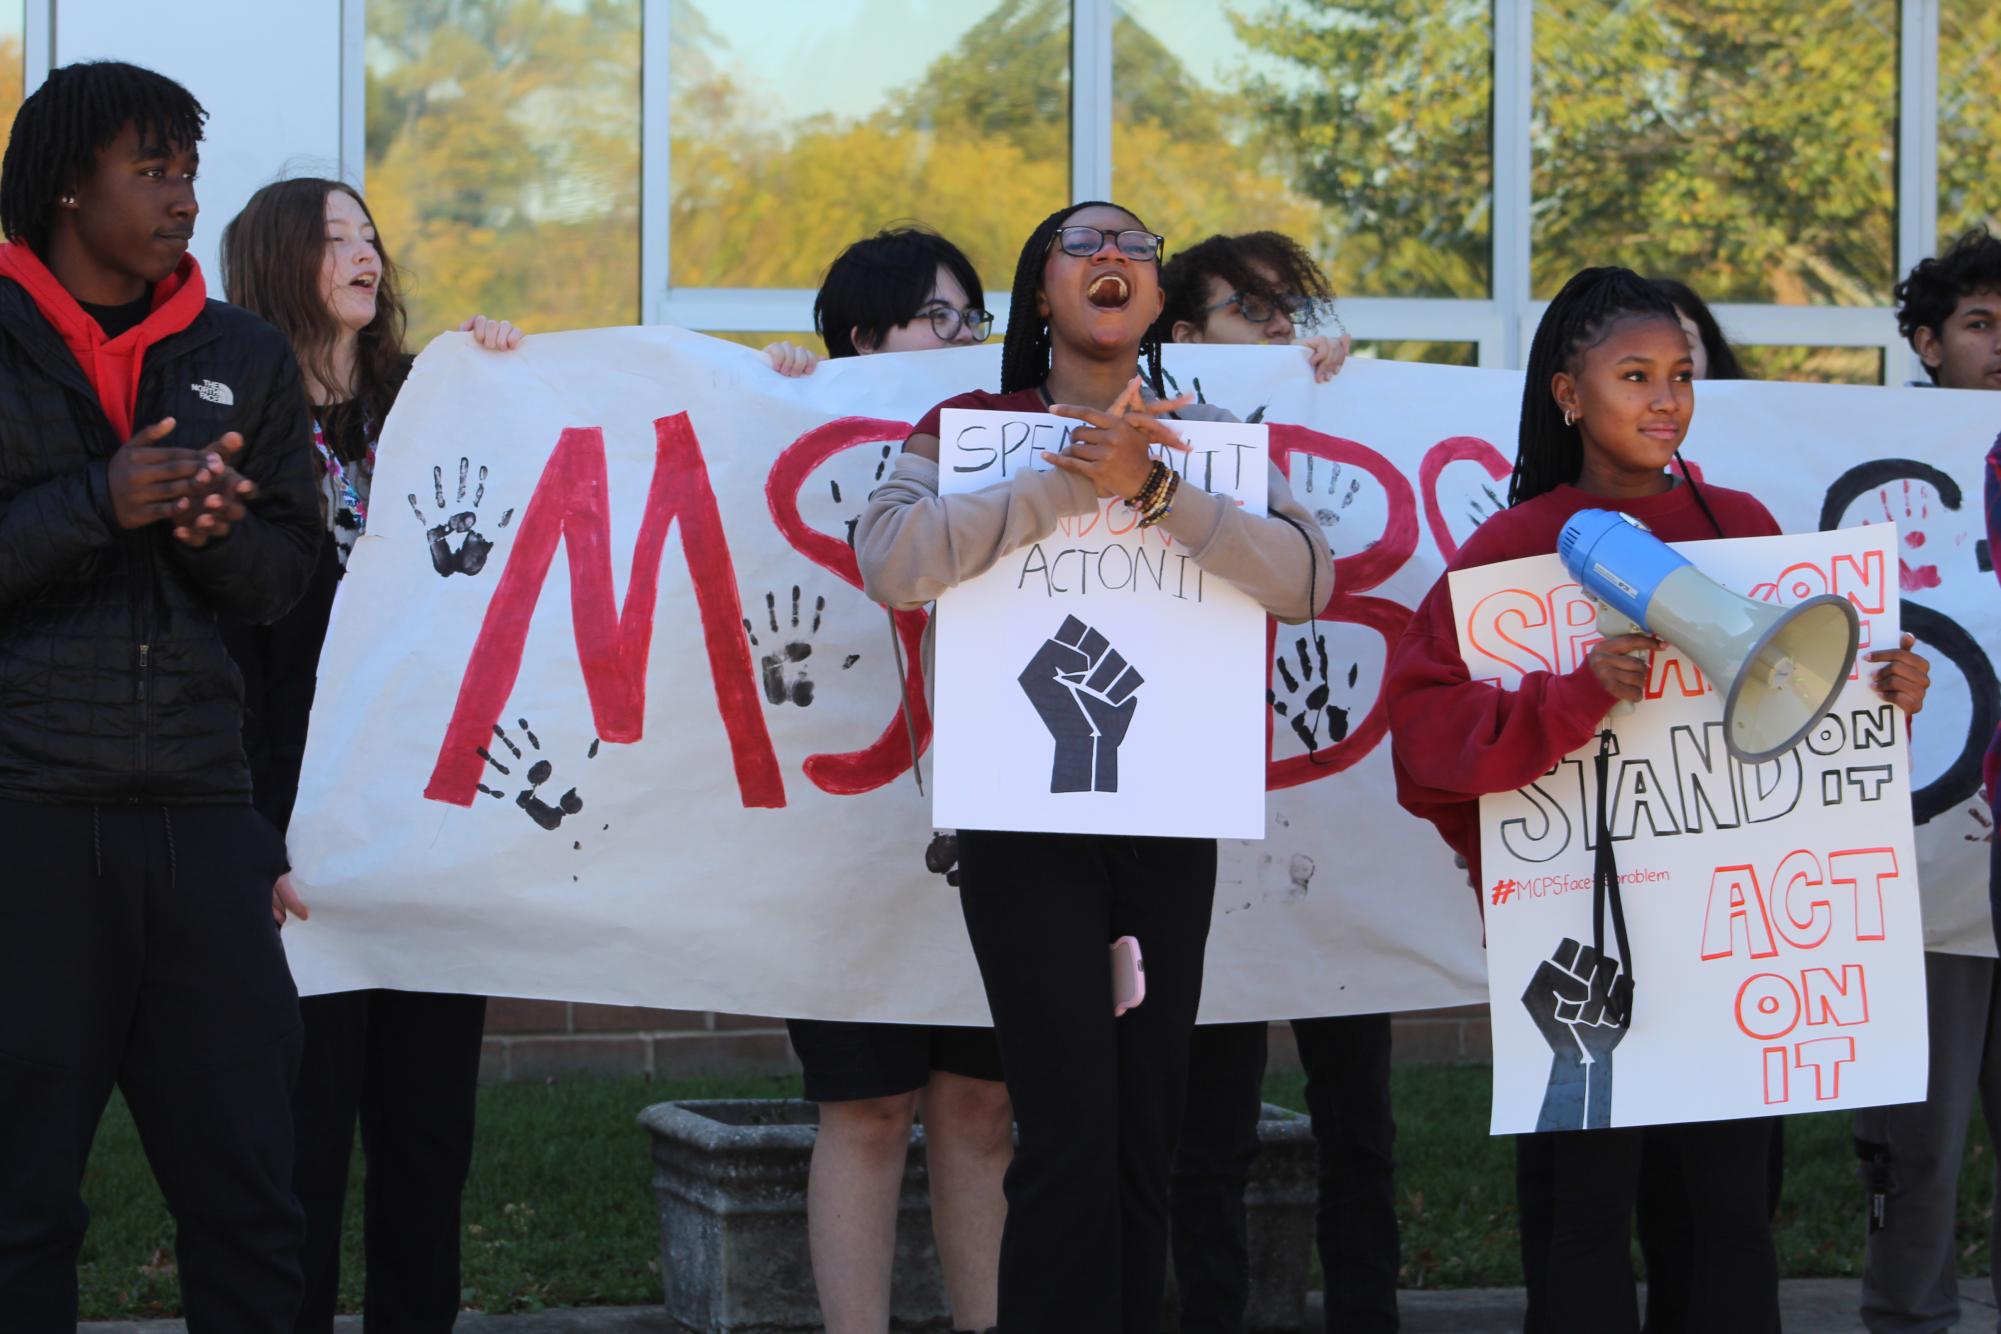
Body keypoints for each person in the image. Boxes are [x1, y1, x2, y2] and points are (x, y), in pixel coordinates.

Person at [1383, 266, 1930, 1334]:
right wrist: (1575, 697)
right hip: (1580, 946)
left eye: (1681, 374)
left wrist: (1882, 698)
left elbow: (1805, 743)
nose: (1666, 398)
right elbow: (1427, 746)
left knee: (1730, 1206)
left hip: (1733, 939)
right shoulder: (1511, 554)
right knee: (1585, 1206)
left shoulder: (1747, 526)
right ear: (1569, 394)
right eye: (1635, 374)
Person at [856, 199, 1333, 1332]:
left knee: (1144, 1130)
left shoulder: (1207, 434)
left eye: (1136, 247)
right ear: (1041, 294)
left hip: (1171, 820)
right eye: (1084, 244)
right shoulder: (967, 422)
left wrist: (1158, 486)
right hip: (1021, 827)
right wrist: (1077, 477)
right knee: (1066, 1128)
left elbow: (1309, 576)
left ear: (1158, 298)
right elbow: (892, 558)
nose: (1112, 258)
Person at [0, 61, 323, 1328]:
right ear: (71, 184)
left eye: (189, 168)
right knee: (22, 1204)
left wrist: (211, 527)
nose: (185, 195)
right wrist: (100, 501)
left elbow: (282, 573)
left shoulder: (240, 350)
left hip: (200, 815)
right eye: (153, 170)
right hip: (26, 815)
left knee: (249, 1192)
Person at [219, 175, 523, 1334]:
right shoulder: (237, 424)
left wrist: (503, 365)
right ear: (277, 258)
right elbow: (229, 650)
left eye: (371, 234)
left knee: (428, 1133)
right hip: (297, 832)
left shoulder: (433, 402)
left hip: (434, 820)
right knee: (300, 1139)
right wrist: (251, 827)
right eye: (332, 235)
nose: (364, 253)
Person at [768, 226, 1015, 1334]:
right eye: (937, 317)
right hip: (840, 831)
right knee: (863, 1105)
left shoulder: (1008, 434)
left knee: (984, 1105)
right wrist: (771, 394)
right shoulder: (794, 413)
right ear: (866, 336)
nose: (962, 339)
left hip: (996, 812)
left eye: (973, 316)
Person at [1153, 230, 1398, 1334]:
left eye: (1285, 311)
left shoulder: (1329, 405)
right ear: (1183, 336)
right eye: (1248, 313)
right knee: (1210, 1128)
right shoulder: (1147, 435)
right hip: (1205, 807)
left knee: (1362, 1116)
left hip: (1334, 812)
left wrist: (1334, 387)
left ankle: (1368, 1313)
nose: (1277, 331)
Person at [1852, 225, 2001, 1333]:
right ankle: (1909, 1315)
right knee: (1925, 1132)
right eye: (1981, 324)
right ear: (1926, 340)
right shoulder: (1862, 452)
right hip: (1930, 852)